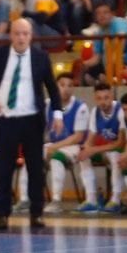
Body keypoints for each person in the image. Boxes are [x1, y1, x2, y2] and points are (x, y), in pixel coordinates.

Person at [0, 19, 62, 231]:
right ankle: (2, 214)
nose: (21, 38)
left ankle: (37, 213)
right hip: (6, 120)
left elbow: (52, 87)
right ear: (11, 35)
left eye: (25, 34)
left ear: (31, 35)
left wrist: (58, 114)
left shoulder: (41, 57)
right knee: (5, 169)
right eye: (17, 33)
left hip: (32, 120)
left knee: (35, 169)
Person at [41, 73, 89, 213]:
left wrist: (54, 147)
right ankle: (25, 200)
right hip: (53, 143)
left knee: (57, 158)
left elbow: (78, 137)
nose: (66, 89)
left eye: (70, 85)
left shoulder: (81, 107)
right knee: (31, 157)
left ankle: (56, 201)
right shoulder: (47, 104)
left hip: (73, 147)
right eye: (62, 85)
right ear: (55, 87)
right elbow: (39, 128)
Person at [76, 83, 126, 213]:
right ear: (94, 98)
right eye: (99, 98)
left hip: (122, 149)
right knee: (83, 157)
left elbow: (120, 143)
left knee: (116, 157)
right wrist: (84, 150)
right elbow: (91, 138)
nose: (103, 102)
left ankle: (115, 200)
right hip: (106, 150)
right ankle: (92, 199)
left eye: (106, 97)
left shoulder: (121, 111)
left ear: (112, 96)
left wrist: (92, 150)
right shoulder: (95, 112)